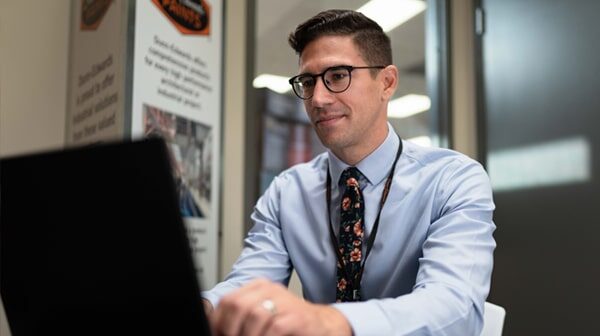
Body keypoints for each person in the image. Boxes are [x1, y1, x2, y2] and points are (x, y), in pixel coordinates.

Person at [203, 9, 496, 336]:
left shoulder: (453, 180)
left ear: (386, 82)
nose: (318, 98)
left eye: (338, 75)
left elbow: (454, 307)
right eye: (308, 81)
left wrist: (333, 322)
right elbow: (248, 284)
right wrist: (206, 307)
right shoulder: (288, 190)